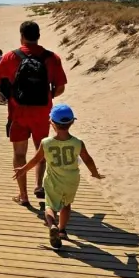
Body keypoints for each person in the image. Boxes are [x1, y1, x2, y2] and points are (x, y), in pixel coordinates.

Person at [0, 21, 67, 206]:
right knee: (40, 151)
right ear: (38, 36)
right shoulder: (52, 58)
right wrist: (46, 97)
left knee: (19, 153)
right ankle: (38, 186)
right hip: (42, 113)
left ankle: (23, 195)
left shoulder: (11, 57)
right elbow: (61, 88)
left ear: (21, 36)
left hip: (18, 113)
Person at [14, 104, 102, 249]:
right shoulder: (77, 143)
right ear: (72, 122)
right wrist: (95, 173)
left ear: (51, 123)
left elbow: (36, 160)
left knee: (49, 206)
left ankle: (52, 225)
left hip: (53, 181)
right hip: (72, 180)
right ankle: (61, 230)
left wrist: (23, 169)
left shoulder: (46, 142)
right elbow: (88, 159)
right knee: (66, 205)